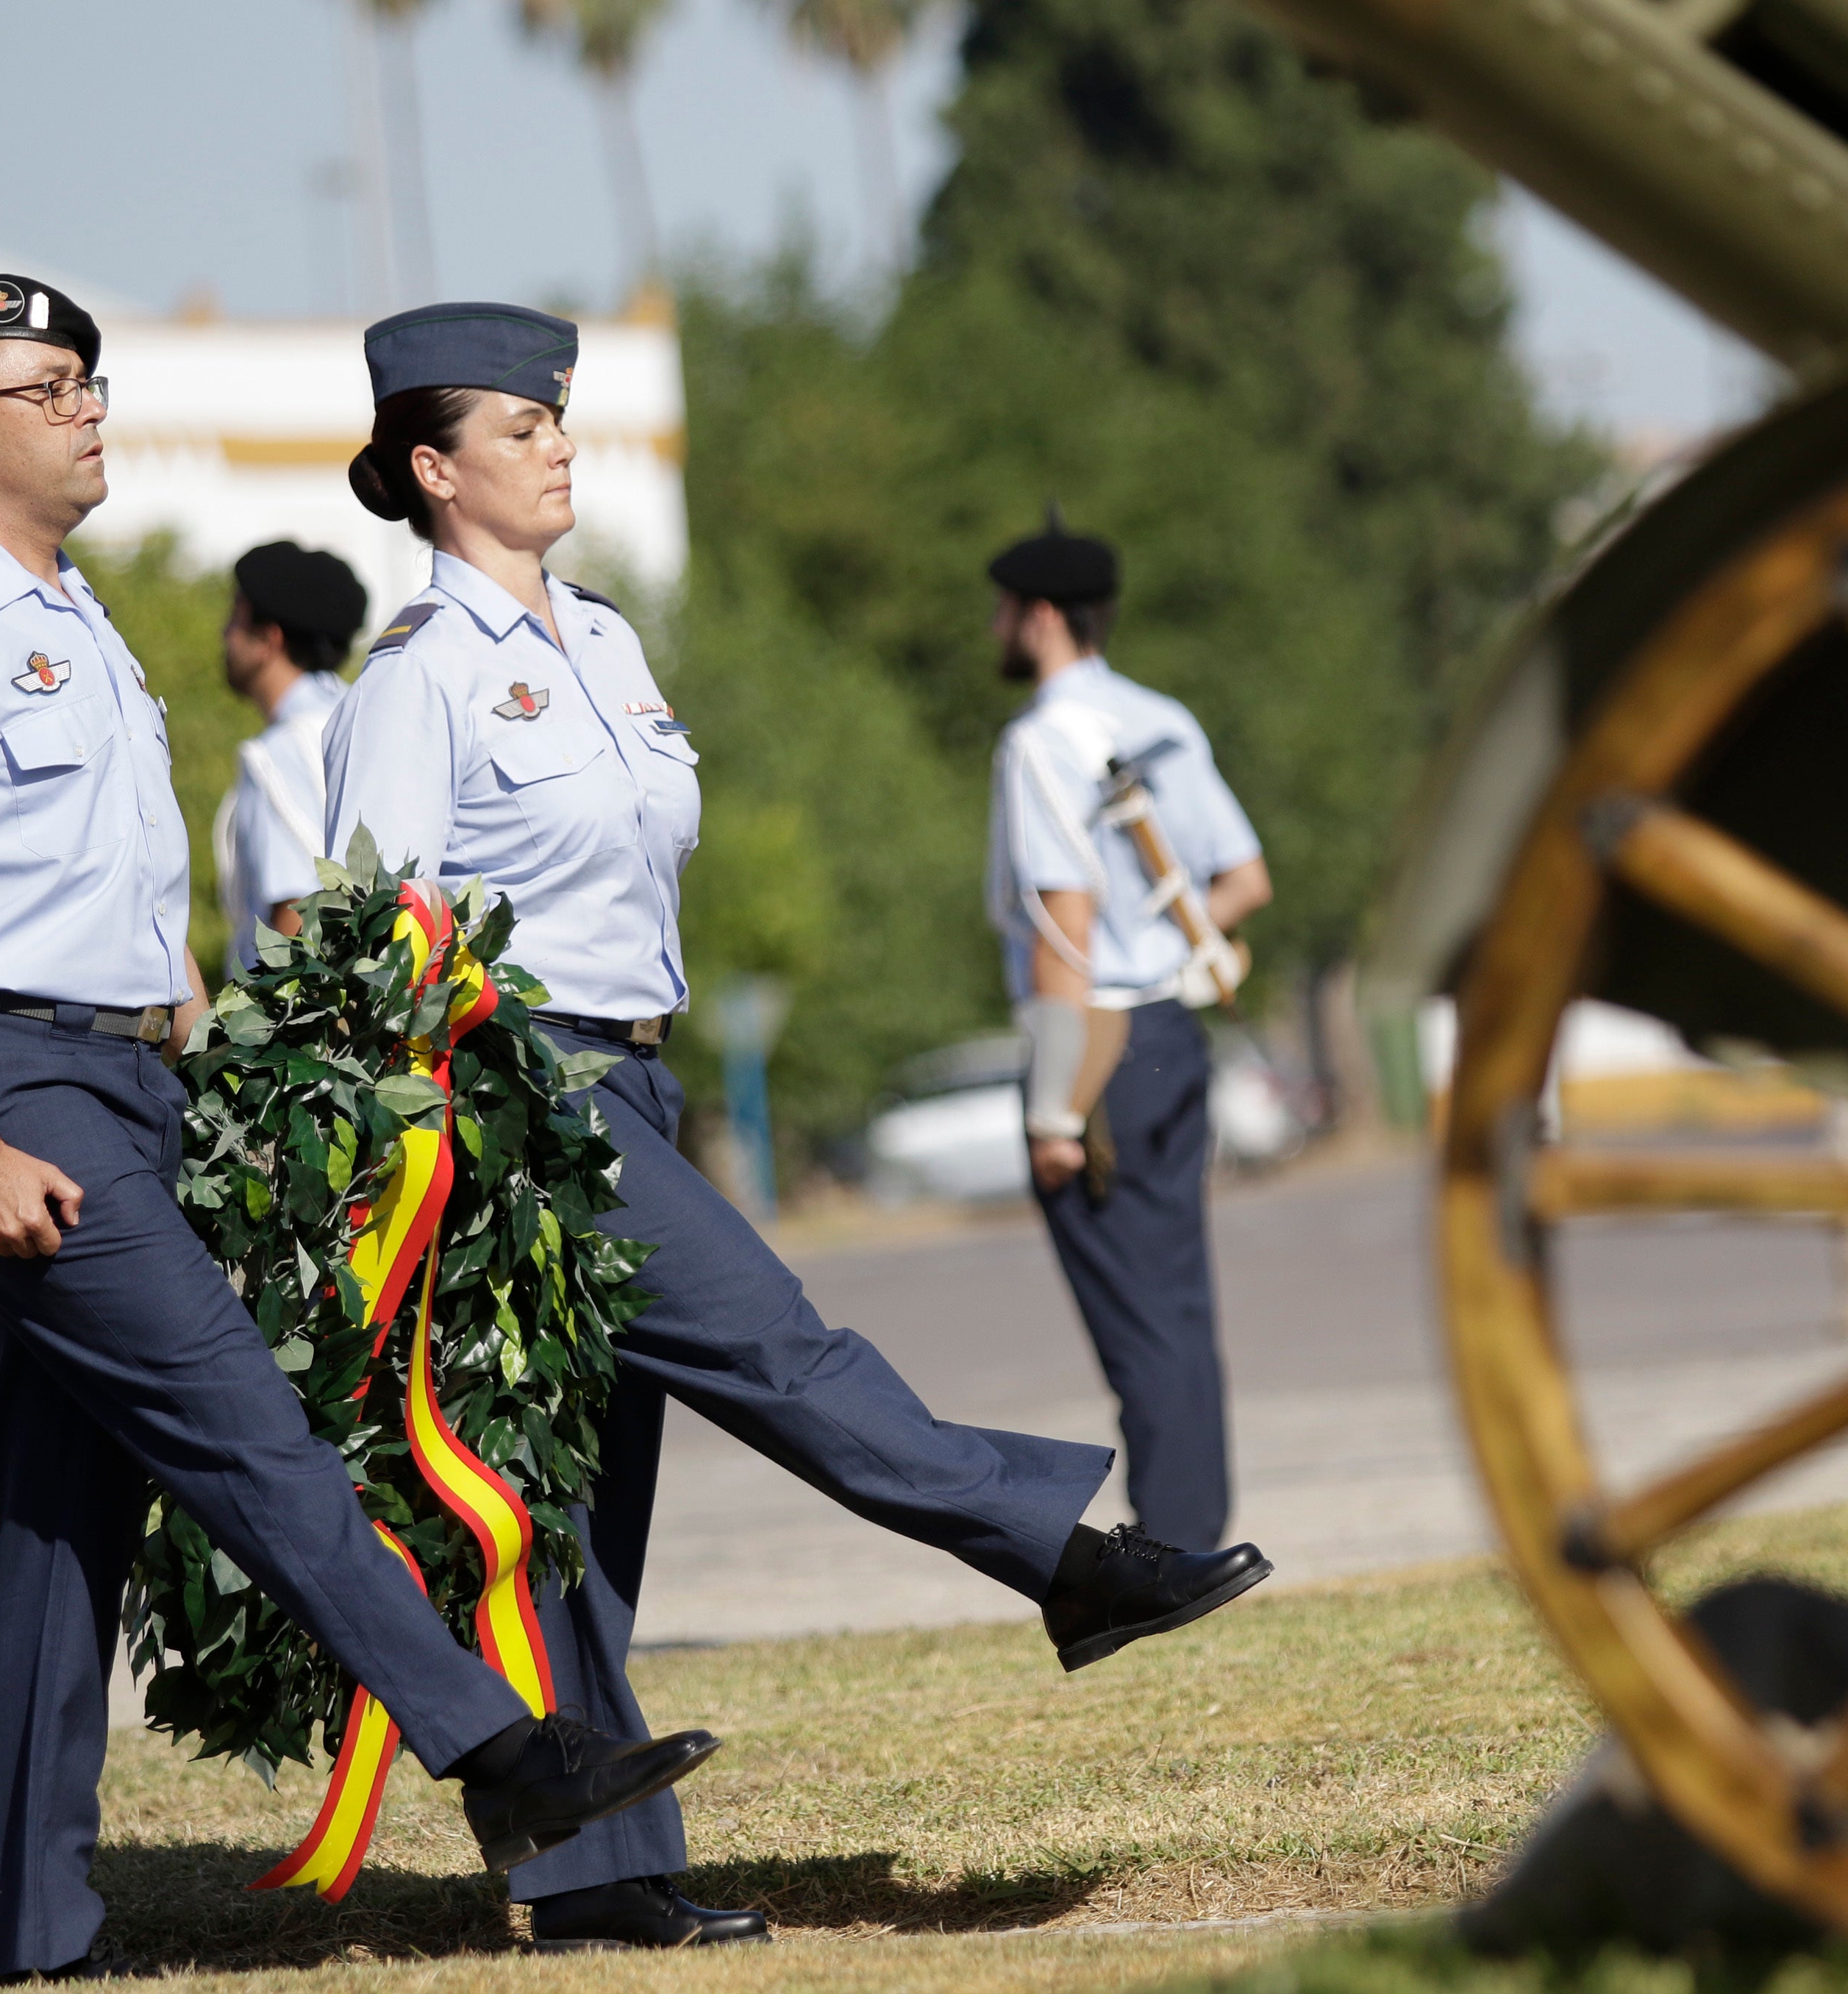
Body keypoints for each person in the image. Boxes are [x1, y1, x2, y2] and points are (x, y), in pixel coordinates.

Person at [322, 300, 1277, 1952]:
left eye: (561, 418)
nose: (558, 443)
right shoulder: (414, 679)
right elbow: (366, 931)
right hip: (520, 1092)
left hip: (634, 1070)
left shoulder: (604, 639)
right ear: (431, 467)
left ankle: (597, 1871)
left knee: (577, 1499)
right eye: (520, 427)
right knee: (787, 1349)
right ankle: (1061, 1556)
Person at [0, 274, 715, 1983]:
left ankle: (34, 1931)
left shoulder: (68, 613)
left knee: (57, 1518)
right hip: (11, 1091)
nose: (88, 402)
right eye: (52, 381)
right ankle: (510, 1756)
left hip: (123, 1088)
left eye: (90, 376)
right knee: (247, 1430)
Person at [983, 522, 1271, 1553]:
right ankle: (1195, 1514)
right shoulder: (1163, 719)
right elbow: (1245, 879)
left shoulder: (1038, 739)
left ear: (1042, 616)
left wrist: (1055, 1105)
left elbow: (1066, 913)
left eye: (1004, 608)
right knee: (1178, 1292)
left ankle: (1176, 1538)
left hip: (1094, 1038)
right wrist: (1174, 941)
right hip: (1169, 1028)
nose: (996, 626)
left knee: (1131, 1305)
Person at [211, 541, 367, 975]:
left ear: (267, 638)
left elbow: (297, 917)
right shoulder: (359, 720)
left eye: (235, 618)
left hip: (301, 1030)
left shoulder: (280, 751)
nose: (225, 635)